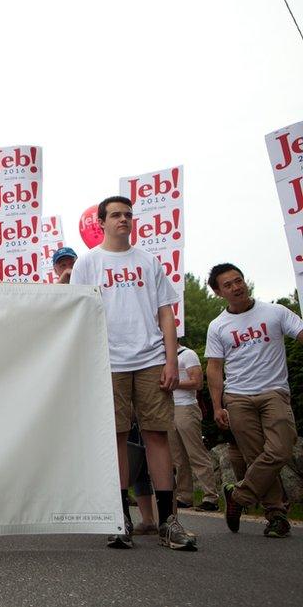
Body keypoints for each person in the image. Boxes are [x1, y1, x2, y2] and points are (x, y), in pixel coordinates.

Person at [70, 196, 196, 551]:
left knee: (158, 435)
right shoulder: (88, 263)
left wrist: (172, 361)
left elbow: (166, 314)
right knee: (117, 437)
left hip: (150, 360)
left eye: (128, 214)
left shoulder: (149, 261)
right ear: (101, 222)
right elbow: (77, 313)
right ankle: (120, 518)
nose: (123, 219)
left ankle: (169, 520)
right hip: (107, 361)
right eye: (116, 215)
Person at [205, 263, 302, 538]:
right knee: (256, 456)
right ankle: (276, 516)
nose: (237, 287)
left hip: (274, 392)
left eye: (239, 280)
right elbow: (214, 367)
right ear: (218, 292)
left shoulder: (275, 312)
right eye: (228, 285)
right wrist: (217, 405)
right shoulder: (218, 326)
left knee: (281, 450)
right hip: (237, 398)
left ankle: (239, 495)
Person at [168, 345, 219, 512]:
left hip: (186, 407)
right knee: (178, 457)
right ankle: (184, 496)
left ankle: (211, 497)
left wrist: (173, 383)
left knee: (196, 453)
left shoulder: (187, 354)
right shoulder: (163, 357)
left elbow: (197, 383)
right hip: (169, 408)